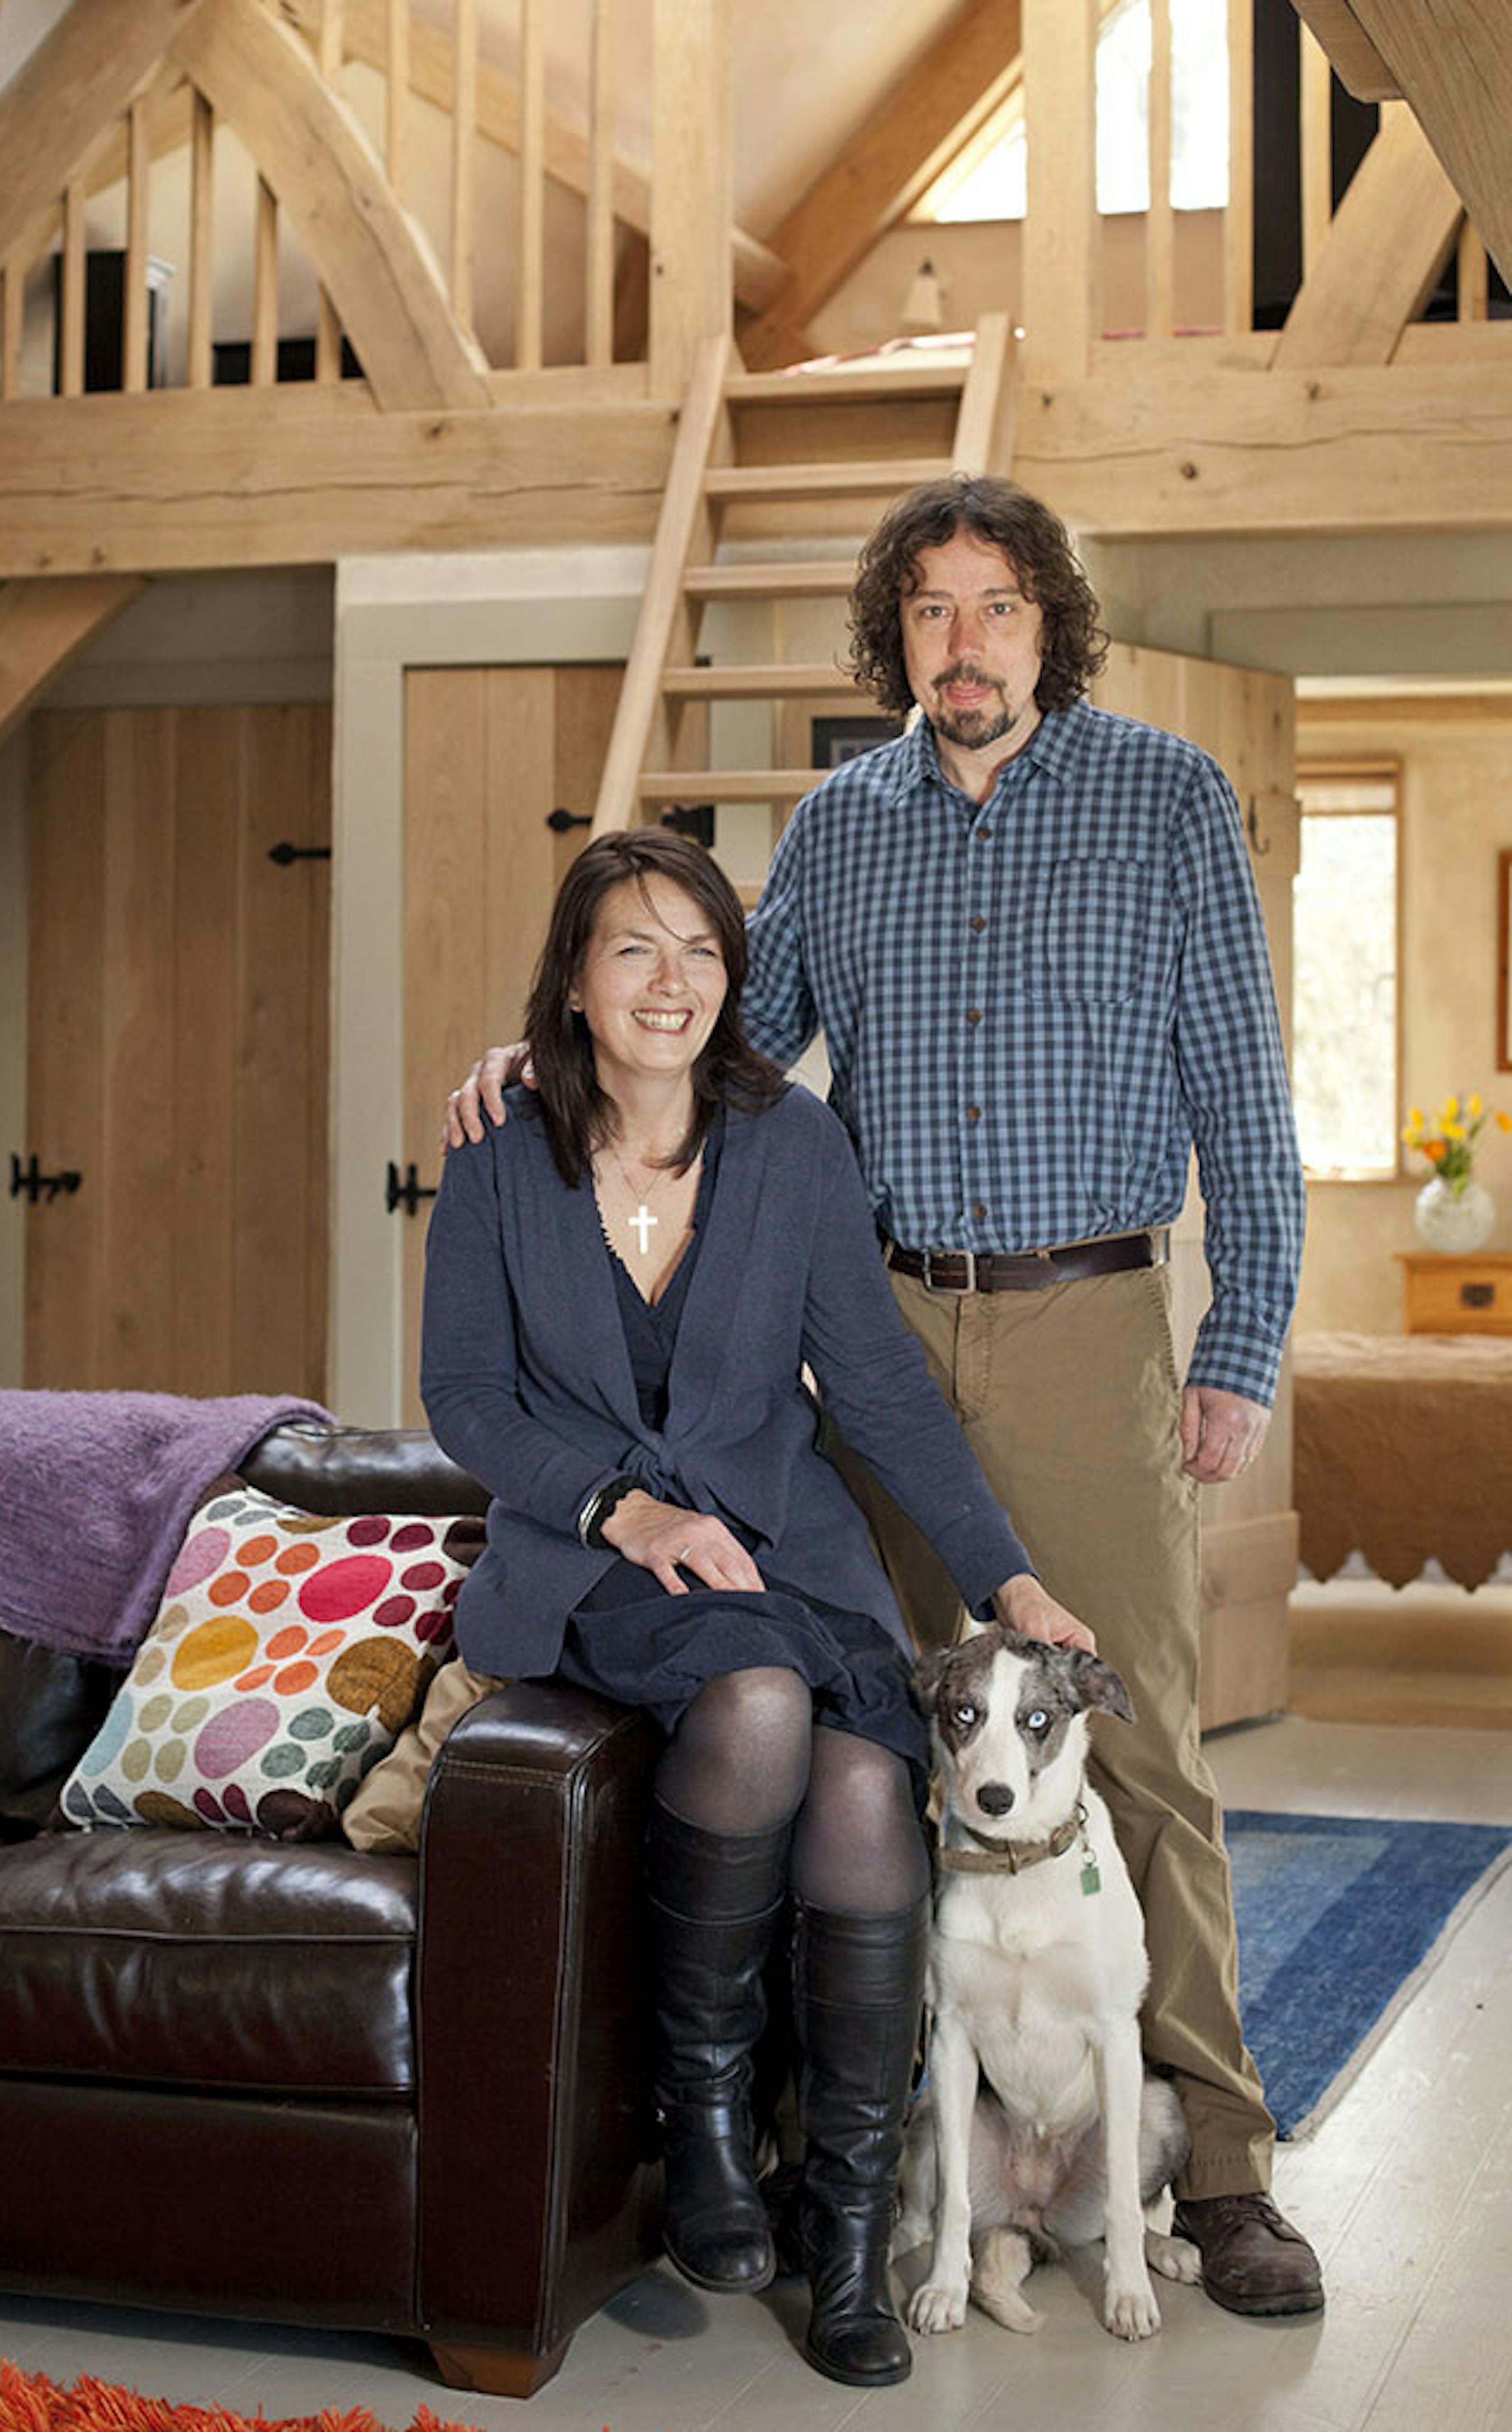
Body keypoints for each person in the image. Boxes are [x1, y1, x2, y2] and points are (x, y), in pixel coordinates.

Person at [443, 475, 1323, 2321]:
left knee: (1135, 1741)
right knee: (894, 1728)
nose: (963, 642)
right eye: (930, 610)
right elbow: (715, 1034)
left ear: (1048, 624)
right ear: (896, 638)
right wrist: (542, 1057)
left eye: (996, 606)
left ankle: (1223, 2165)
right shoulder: (840, 828)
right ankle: (875, 2149)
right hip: (879, 1338)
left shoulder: (1168, 798)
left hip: (1089, 1319)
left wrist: (1242, 1343)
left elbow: (1246, 1095)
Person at [422, 827, 1091, 2388]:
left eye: (702, 952)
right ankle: (707, 2119)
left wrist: (1005, 1577)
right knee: (764, 1704)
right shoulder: (498, 1148)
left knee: (863, 1783)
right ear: (573, 983)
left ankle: (849, 2240)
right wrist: (624, 1507)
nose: (672, 983)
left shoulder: (792, 1144)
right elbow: (465, 1398)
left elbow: (880, 1391)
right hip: (598, 1561)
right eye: (633, 950)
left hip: (788, 1551)